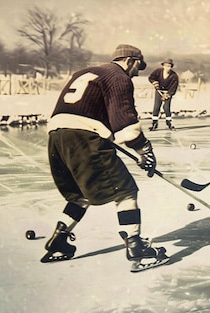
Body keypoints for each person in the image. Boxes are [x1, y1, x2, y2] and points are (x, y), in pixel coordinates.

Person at [44, 44, 169, 271]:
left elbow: (86, 111)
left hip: (57, 137)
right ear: (129, 60)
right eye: (137, 67)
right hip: (83, 138)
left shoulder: (85, 72)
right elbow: (124, 122)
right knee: (125, 191)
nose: (136, 73)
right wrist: (144, 151)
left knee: (80, 195)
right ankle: (136, 247)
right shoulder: (118, 77)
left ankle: (59, 240)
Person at [148, 58, 179, 130]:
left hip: (167, 93)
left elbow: (174, 87)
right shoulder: (158, 71)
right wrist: (154, 83)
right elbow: (151, 77)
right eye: (166, 66)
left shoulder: (174, 75)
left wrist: (168, 94)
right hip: (159, 92)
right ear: (163, 66)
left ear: (171, 67)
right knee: (156, 107)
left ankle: (169, 123)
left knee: (166, 108)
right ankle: (154, 123)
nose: (168, 68)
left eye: (169, 66)